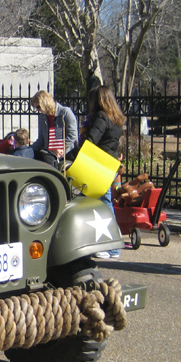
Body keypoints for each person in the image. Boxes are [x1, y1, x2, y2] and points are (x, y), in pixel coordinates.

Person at [66, 85, 125, 259]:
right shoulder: (117, 118)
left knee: (103, 205)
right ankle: (109, 246)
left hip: (97, 166)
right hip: (110, 164)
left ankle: (111, 247)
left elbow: (91, 141)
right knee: (105, 204)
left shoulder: (101, 117)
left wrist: (73, 155)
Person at [30, 90, 78, 168]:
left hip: (67, 155)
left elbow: (72, 135)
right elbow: (41, 140)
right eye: (35, 107)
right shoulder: (42, 117)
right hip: (49, 157)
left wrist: (61, 147)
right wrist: (28, 150)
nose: (37, 110)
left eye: (38, 107)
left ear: (45, 103)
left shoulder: (65, 113)